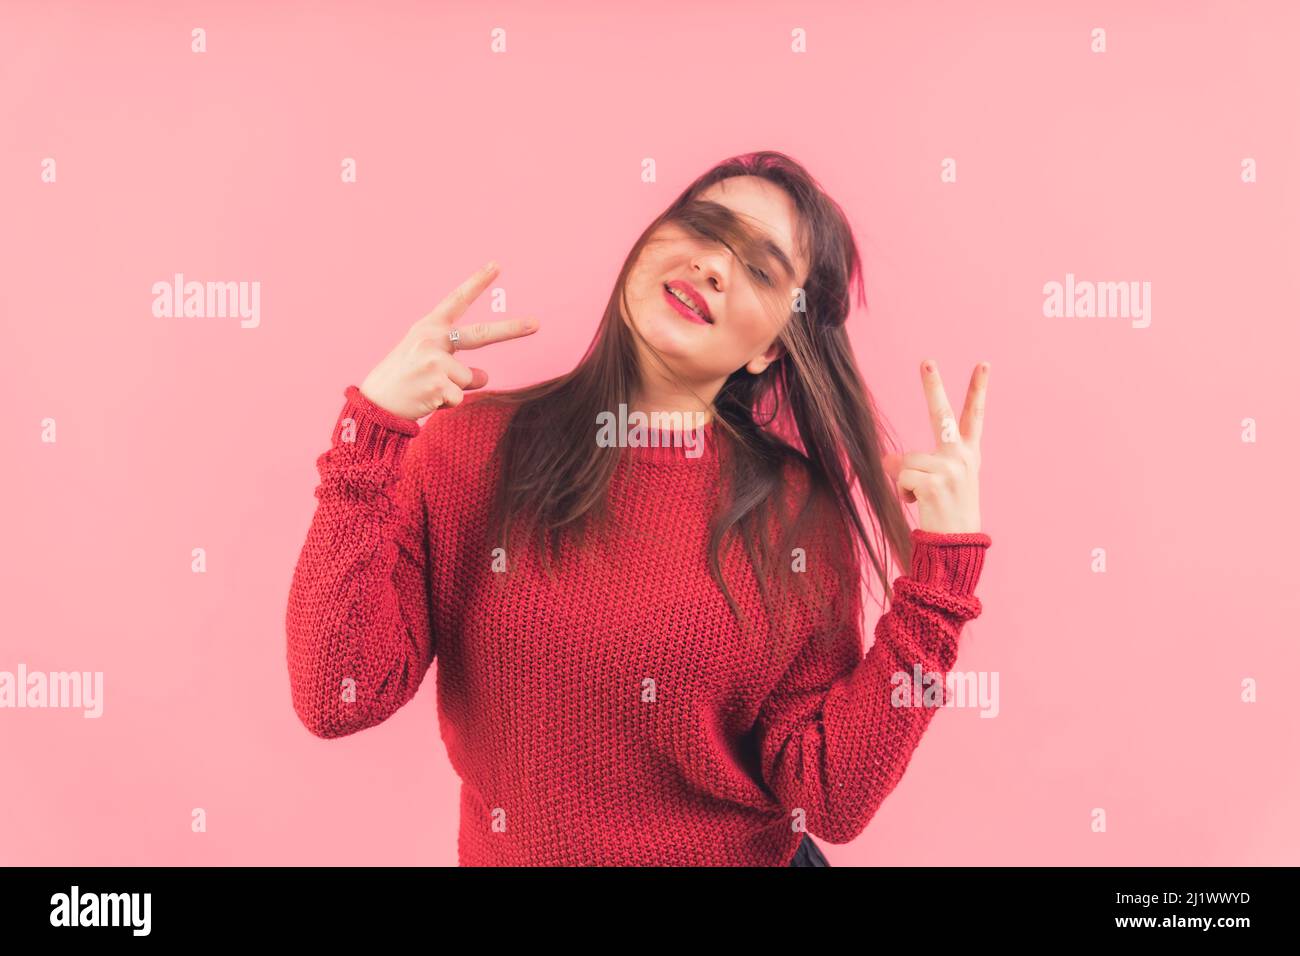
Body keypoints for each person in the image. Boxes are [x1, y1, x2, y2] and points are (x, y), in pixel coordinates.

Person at [285, 150, 992, 867]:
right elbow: (336, 697)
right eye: (704, 225)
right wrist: (369, 431)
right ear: (646, 245)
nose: (714, 264)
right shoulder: (469, 450)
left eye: (760, 269)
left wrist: (939, 591)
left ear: (772, 347)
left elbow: (830, 799)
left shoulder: (798, 517)